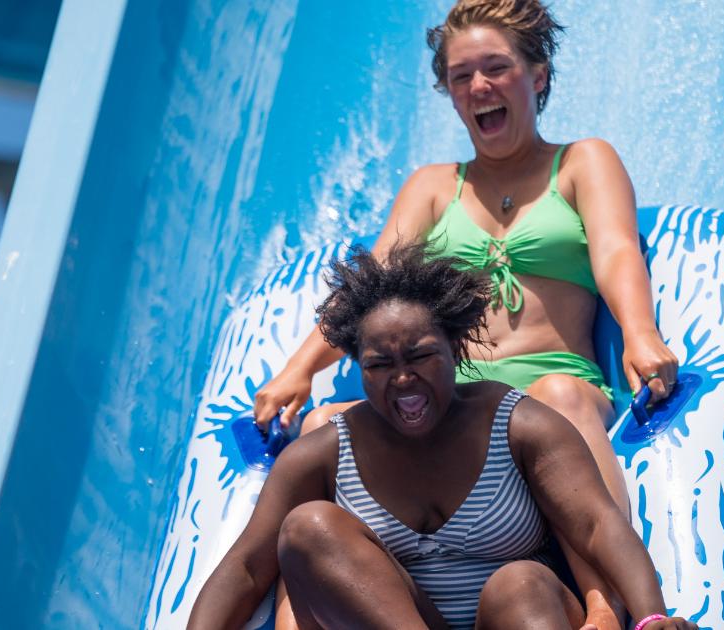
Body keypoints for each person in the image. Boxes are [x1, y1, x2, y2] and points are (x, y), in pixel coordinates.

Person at [252, 1, 678, 627]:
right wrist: (297, 371)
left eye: (497, 67)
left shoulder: (583, 162)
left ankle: (602, 606)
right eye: (461, 75)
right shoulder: (433, 186)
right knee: (322, 426)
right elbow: (369, 293)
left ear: (537, 74)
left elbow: (616, 252)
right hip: (452, 395)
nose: (480, 86)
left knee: (559, 394)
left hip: (551, 382)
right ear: (449, 93)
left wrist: (641, 334)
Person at [190, 243, 694, 630]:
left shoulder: (518, 425)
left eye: (421, 355)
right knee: (308, 528)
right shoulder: (324, 454)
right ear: (358, 368)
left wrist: (651, 619)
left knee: (519, 583)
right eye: (380, 365)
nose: (403, 378)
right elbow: (247, 569)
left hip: (519, 617)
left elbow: (597, 527)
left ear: (455, 345)